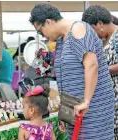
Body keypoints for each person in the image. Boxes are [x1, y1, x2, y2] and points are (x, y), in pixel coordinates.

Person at [30, 3, 115, 139]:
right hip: (77, 110)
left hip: (93, 109)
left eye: (40, 31)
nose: (42, 36)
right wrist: (65, 113)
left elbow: (92, 65)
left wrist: (86, 101)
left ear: (48, 22)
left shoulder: (78, 29)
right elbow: (67, 80)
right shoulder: (61, 40)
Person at [82, 5, 118, 139]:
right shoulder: (104, 40)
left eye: (92, 29)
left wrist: (101, 70)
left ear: (100, 23)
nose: (92, 34)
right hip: (110, 100)